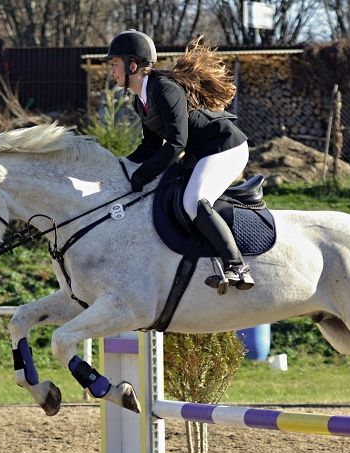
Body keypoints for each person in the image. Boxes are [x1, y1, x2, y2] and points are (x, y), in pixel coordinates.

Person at [104, 30, 255, 292]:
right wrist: (120, 168)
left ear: (132, 65)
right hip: (203, 152)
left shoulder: (164, 89)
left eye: (114, 64)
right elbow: (149, 147)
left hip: (225, 147)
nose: (112, 71)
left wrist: (139, 178)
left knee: (193, 201)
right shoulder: (142, 100)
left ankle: (237, 267)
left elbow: (176, 144)